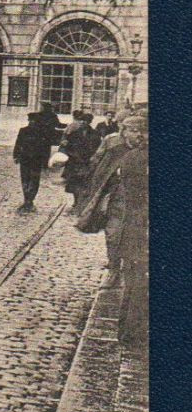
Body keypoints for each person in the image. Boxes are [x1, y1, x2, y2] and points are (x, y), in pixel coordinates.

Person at [76, 112, 148, 344]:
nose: (138, 135)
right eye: (133, 131)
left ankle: (120, 266)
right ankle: (114, 268)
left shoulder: (142, 154)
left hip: (134, 204)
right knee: (113, 233)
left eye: (141, 131)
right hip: (115, 199)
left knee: (127, 238)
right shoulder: (113, 146)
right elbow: (99, 167)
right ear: (124, 131)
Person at [13, 109, 60, 213]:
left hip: (36, 160)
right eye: (30, 121)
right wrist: (16, 156)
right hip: (25, 159)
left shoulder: (42, 132)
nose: (32, 123)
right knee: (25, 179)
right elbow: (18, 144)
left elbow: (46, 148)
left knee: (34, 180)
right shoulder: (23, 131)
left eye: (34, 121)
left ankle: (29, 200)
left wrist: (45, 162)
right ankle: (27, 200)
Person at [61, 110, 102, 213]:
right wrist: (68, 152)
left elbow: (98, 149)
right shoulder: (74, 133)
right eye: (83, 121)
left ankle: (80, 204)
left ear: (90, 122)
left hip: (87, 162)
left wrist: (91, 159)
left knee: (84, 183)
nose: (84, 123)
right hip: (74, 162)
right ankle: (76, 203)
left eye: (87, 121)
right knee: (74, 184)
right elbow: (67, 146)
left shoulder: (95, 134)